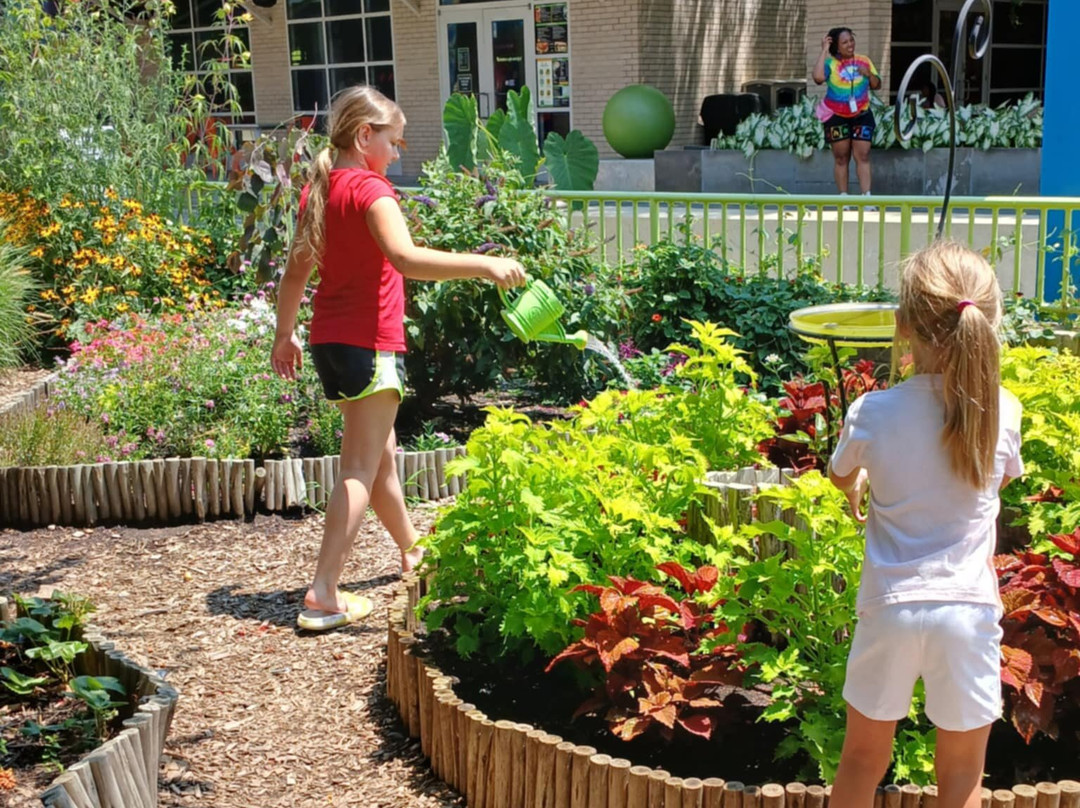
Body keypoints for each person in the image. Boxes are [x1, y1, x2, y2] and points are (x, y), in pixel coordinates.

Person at [271, 85, 527, 631]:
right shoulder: (371, 189)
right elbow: (406, 258)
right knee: (359, 468)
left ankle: (412, 549)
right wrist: (486, 265)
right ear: (365, 136)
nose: (398, 151)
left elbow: (296, 272)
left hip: (330, 344)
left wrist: (284, 334)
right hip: (370, 343)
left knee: (381, 456)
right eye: (394, 140)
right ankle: (323, 593)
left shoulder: (322, 188)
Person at [827, 241, 1023, 808]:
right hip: (967, 612)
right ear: (987, 323)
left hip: (889, 608)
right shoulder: (1003, 411)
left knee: (862, 761)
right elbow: (995, 484)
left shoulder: (873, 412)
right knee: (961, 777)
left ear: (903, 326)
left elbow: (841, 476)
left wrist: (862, 484)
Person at [813, 27, 882, 197]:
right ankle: (844, 198)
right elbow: (818, 78)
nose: (850, 44)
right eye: (844, 42)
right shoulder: (830, 64)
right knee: (841, 158)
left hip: (862, 115)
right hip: (837, 117)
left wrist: (869, 75)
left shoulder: (864, 60)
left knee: (863, 155)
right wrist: (823, 51)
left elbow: (877, 85)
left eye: (851, 40)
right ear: (836, 46)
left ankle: (866, 198)